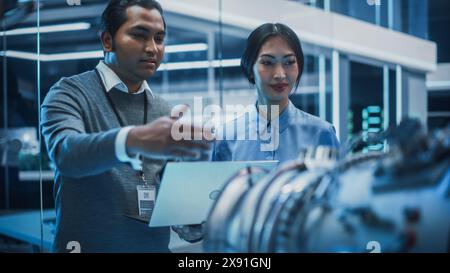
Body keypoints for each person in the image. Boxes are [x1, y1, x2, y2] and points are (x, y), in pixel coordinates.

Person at [41, 0, 209, 253]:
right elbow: (66, 154)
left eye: (160, 38)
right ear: (107, 41)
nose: (152, 48)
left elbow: (178, 216)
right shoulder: (69, 92)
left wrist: (195, 215)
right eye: (139, 35)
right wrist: (133, 140)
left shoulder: (163, 110)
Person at [212, 23, 339, 163]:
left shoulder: (321, 133)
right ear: (250, 69)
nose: (280, 74)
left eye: (289, 62)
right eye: (267, 62)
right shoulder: (226, 137)